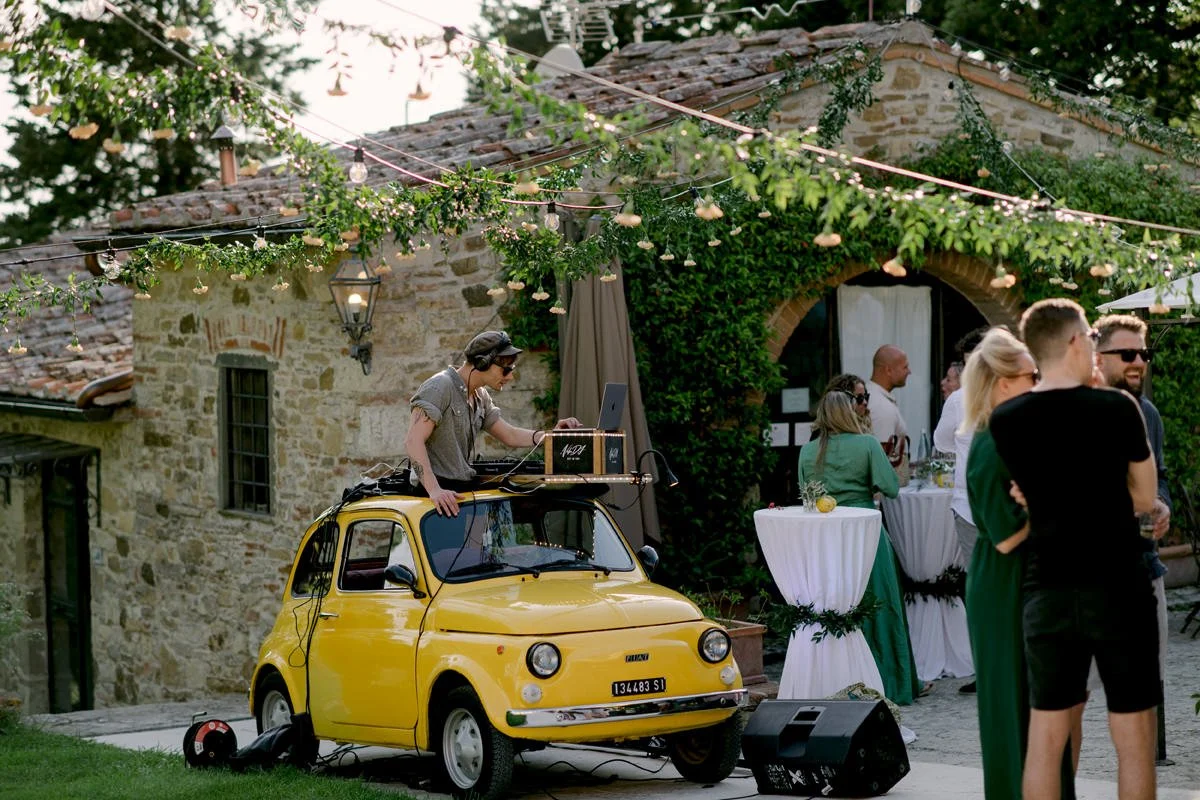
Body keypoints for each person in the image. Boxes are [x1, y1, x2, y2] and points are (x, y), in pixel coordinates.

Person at [989, 299, 1160, 800]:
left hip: (1048, 589)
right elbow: (1146, 498)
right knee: (1133, 737)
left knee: (1046, 735)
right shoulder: (1117, 408)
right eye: (1088, 337)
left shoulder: (1009, 418)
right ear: (1073, 342)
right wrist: (1102, 494)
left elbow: (1025, 492)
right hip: (1118, 586)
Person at [960, 328, 1076, 800]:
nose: (1040, 381)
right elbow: (1006, 537)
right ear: (1003, 381)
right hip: (1003, 588)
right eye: (1033, 374)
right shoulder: (991, 444)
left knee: (1042, 703)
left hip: (1028, 584)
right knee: (1012, 706)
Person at [798, 390, 922, 705]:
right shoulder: (866, 444)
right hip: (865, 534)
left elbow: (807, 499)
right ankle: (888, 682)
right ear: (850, 413)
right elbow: (892, 488)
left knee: (835, 607)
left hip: (826, 540)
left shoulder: (807, 452)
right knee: (881, 608)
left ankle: (837, 681)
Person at [1094, 314, 1172, 764]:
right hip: (1079, 580)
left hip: (1143, 571)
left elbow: (1157, 479)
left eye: (1143, 353)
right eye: (1127, 354)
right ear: (1097, 357)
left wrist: (1161, 505)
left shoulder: (1148, 414)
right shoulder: (1070, 408)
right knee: (1066, 708)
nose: (1138, 361)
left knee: (1142, 703)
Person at [406, 330, 581, 516]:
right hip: (437, 499)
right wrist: (434, 490)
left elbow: (510, 435)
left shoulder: (480, 396)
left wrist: (550, 436)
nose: (510, 377)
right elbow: (412, 440)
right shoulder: (439, 387)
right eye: (506, 370)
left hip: (458, 493)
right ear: (483, 363)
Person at [933, 328, 989, 695]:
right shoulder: (959, 401)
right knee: (983, 591)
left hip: (976, 506)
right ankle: (990, 670)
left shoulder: (961, 401)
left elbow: (942, 444)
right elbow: (942, 442)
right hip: (971, 508)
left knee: (984, 590)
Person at [867, 345, 911, 479]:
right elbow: (881, 459)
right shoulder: (880, 405)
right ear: (888, 370)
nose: (909, 371)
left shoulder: (873, 396)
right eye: (905, 367)